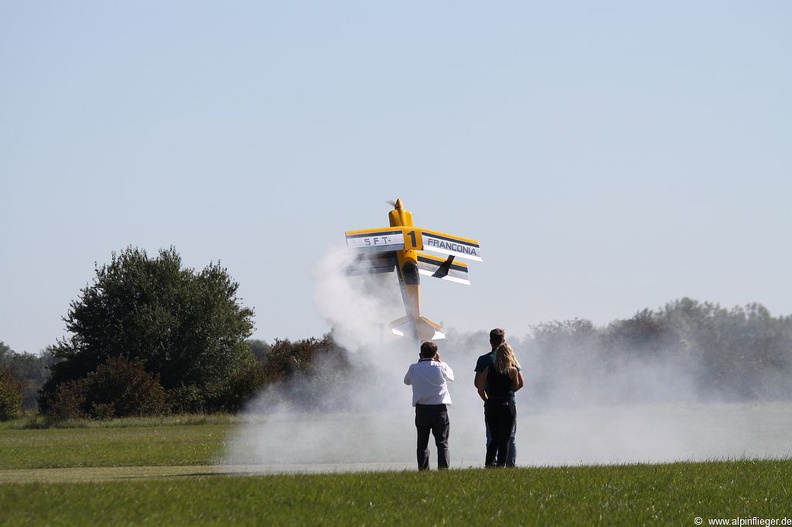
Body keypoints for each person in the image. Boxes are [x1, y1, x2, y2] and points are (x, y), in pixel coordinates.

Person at [474, 328, 524, 467]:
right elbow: (520, 383)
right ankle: (509, 464)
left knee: (493, 437)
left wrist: (487, 399)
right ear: (504, 341)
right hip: (508, 402)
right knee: (509, 438)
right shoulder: (513, 361)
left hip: (492, 401)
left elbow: (478, 385)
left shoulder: (485, 361)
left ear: (491, 341)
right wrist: (509, 392)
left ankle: (491, 464)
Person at [404, 340, 455, 470]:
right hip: (439, 409)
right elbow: (451, 377)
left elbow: (407, 381)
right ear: (435, 354)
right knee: (442, 443)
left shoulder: (414, 368)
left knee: (422, 443)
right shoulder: (441, 367)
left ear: (421, 354)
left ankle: (423, 469)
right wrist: (441, 361)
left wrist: (418, 364)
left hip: (422, 409)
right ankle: (443, 469)